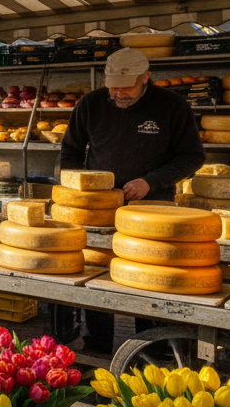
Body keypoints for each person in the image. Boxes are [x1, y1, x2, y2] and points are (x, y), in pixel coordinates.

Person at [59, 47, 206, 354]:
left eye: (126, 88)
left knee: (148, 278)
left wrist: (150, 182)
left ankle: (152, 350)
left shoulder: (172, 106)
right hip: (99, 209)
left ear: (146, 78)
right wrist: (78, 188)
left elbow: (192, 156)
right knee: (97, 272)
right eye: (113, 88)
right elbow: (71, 150)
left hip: (153, 210)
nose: (118, 94)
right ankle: (97, 346)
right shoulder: (91, 104)